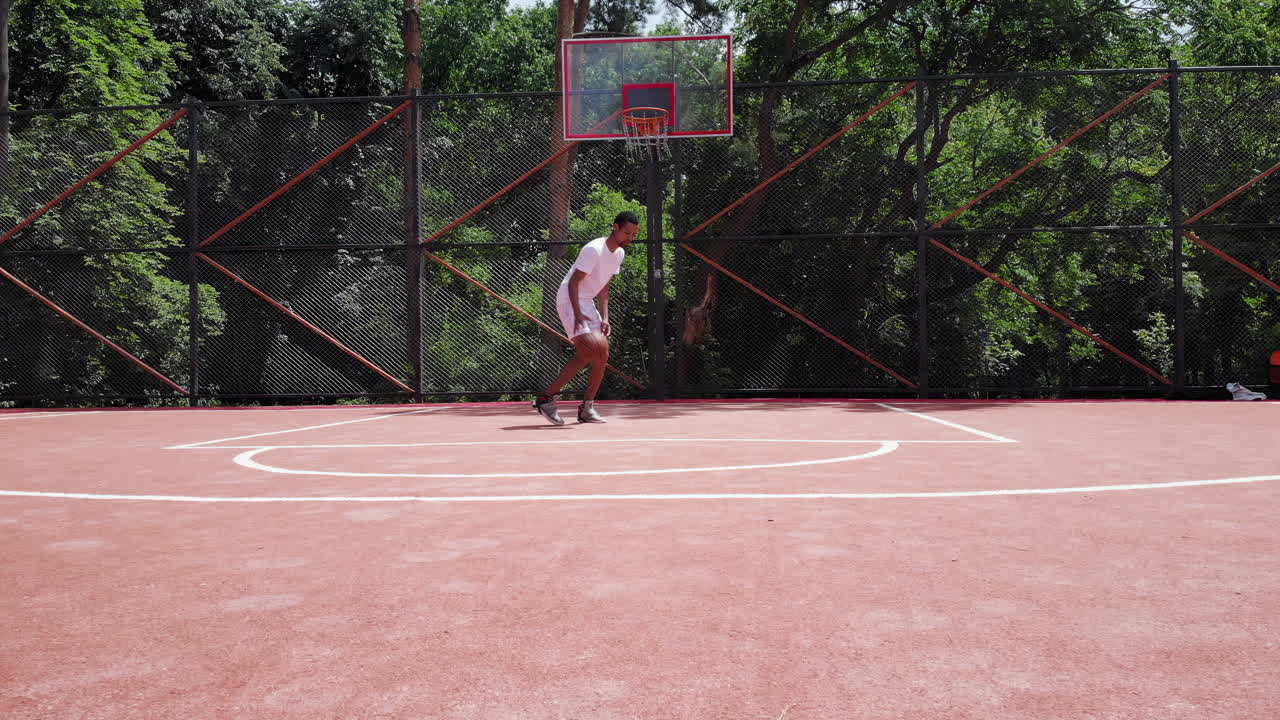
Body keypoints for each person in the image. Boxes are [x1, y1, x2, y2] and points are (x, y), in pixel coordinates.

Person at [533, 211, 640, 425]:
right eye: (627, 233)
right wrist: (578, 313)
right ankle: (547, 398)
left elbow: (604, 289)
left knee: (600, 353)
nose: (631, 238)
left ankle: (584, 408)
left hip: (587, 301)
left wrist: (606, 317)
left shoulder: (618, 254)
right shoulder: (594, 249)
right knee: (594, 346)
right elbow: (573, 283)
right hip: (569, 298)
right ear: (615, 227)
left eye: (634, 234)